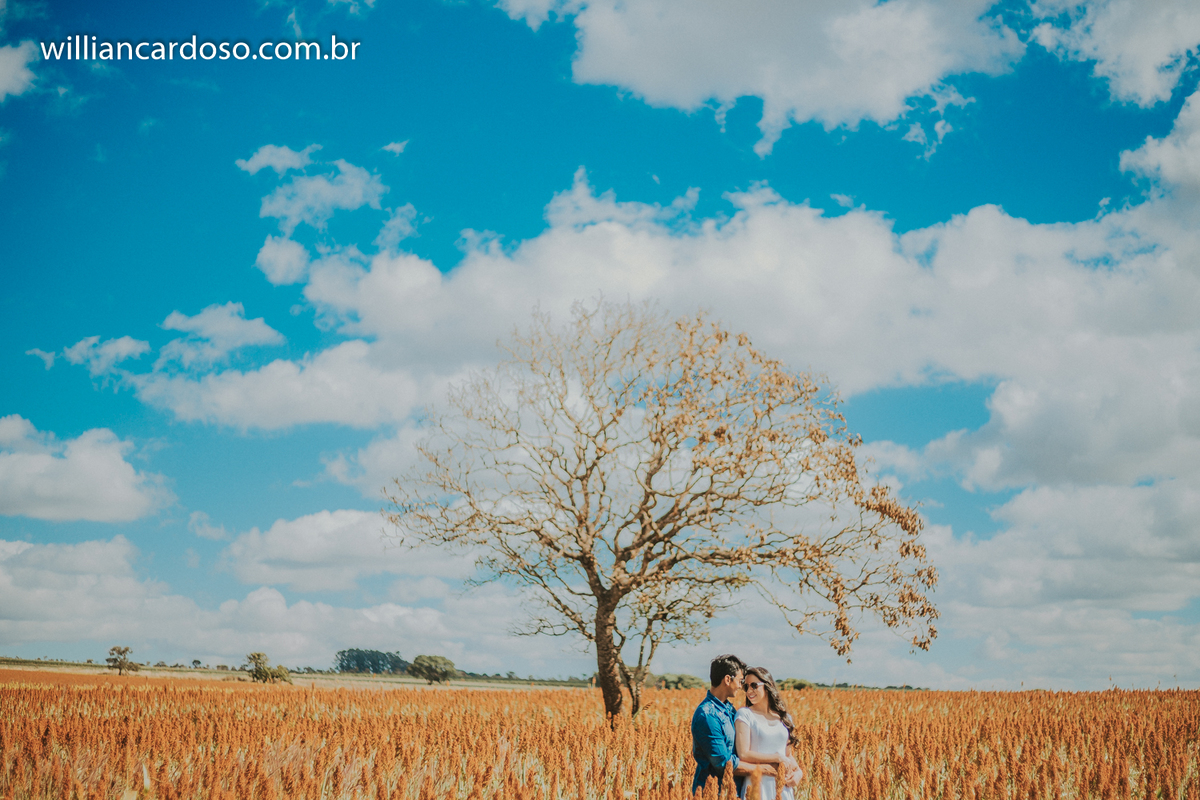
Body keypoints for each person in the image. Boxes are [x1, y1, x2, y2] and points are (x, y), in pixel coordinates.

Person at [692, 654, 780, 796]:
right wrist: (766, 769)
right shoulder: (707, 715)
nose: (741, 686)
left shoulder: (729, 709)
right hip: (714, 793)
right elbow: (723, 764)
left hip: (734, 791)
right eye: (740, 681)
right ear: (727, 679)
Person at [733, 666, 802, 800]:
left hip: (783, 786)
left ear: (767, 685)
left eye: (754, 685)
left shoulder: (785, 718)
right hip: (758, 785)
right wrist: (776, 758)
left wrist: (799, 773)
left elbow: (788, 755)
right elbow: (743, 754)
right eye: (746, 687)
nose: (749, 691)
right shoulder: (745, 715)